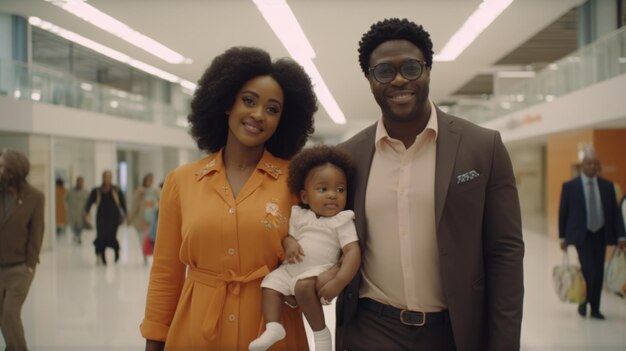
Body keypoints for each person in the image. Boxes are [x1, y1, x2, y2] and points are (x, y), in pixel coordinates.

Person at [336, 18, 524, 350]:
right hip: (370, 330)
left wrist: (504, 342)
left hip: (454, 332)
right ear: (369, 78)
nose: (398, 80)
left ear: (428, 71)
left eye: (410, 68)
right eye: (383, 71)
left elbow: (505, 253)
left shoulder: (483, 147)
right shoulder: (348, 157)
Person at [140, 46, 317, 351]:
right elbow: (166, 273)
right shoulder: (181, 182)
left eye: (272, 109)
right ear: (226, 103)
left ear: (283, 120)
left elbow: (317, 252)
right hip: (197, 332)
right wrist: (154, 341)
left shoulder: (296, 181)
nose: (258, 115)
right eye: (248, 101)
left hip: (273, 330)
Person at [250, 145, 361, 351]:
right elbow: (289, 237)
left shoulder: (342, 221)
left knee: (302, 287)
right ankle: (273, 327)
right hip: (290, 269)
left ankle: (321, 335)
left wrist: (339, 281)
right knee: (270, 285)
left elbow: (352, 252)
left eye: (340, 189)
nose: (332, 195)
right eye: (323, 189)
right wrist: (289, 243)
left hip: (317, 271)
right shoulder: (300, 215)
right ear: (305, 197)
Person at [559, 153, 626, 319]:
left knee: (598, 272)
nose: (593, 167)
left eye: (596, 164)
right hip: (582, 235)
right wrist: (562, 237)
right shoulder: (570, 187)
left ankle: (595, 308)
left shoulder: (607, 186)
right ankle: (584, 302)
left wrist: (621, 236)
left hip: (601, 234)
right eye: (590, 164)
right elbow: (563, 212)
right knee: (590, 270)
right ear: (583, 166)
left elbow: (615, 213)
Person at [0, 148, 44, 350]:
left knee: (10, 313)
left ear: (13, 169)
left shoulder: (35, 196)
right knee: (2, 315)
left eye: (2, 166)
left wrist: (29, 265)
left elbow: (37, 233)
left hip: (19, 268)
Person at [85, 170, 127, 265]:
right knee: (101, 236)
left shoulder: (116, 190)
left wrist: (126, 215)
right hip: (101, 217)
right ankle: (102, 257)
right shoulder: (97, 191)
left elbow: (123, 203)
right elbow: (89, 202)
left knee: (111, 236)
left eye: (109, 177)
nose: (108, 179)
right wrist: (86, 213)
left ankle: (116, 251)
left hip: (113, 217)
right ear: (103, 178)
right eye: (106, 177)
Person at [129, 173, 159, 264]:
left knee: (153, 239)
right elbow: (134, 205)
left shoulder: (155, 191)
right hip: (141, 219)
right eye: (148, 180)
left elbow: (160, 200)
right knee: (142, 238)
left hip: (152, 219)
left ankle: (153, 255)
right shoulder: (140, 191)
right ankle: (144, 256)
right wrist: (130, 217)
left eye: (151, 180)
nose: (150, 182)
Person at [65, 176, 89, 244]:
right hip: (72, 212)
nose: (80, 183)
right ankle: (76, 235)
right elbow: (65, 199)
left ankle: (78, 236)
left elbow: (88, 202)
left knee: (80, 225)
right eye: (79, 181)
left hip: (81, 212)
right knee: (72, 225)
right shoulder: (70, 191)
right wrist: (67, 207)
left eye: (81, 182)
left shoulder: (85, 192)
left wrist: (87, 212)